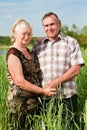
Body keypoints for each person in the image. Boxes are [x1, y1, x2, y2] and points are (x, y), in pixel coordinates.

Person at [32, 12, 85, 128]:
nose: (49, 28)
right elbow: (30, 67)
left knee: (67, 126)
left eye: (52, 24)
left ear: (59, 24)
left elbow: (76, 69)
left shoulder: (71, 42)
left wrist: (56, 82)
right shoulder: (38, 45)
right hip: (44, 98)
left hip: (67, 97)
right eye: (46, 26)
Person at [6, 18, 56, 130]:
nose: (27, 37)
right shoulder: (13, 53)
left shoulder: (28, 51)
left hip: (33, 103)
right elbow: (20, 82)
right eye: (24, 34)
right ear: (15, 33)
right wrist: (43, 91)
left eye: (29, 34)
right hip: (20, 105)